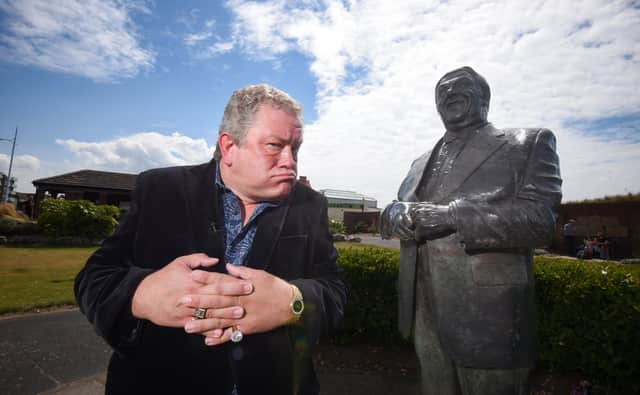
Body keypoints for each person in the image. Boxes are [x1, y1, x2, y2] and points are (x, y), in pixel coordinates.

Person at [74, 84, 347, 394]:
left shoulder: (311, 206)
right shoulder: (161, 189)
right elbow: (93, 278)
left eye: (295, 148)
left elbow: (335, 293)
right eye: (274, 145)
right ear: (229, 147)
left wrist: (293, 301)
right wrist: (140, 294)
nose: (290, 161)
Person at [380, 67, 562, 395]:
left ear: (484, 98)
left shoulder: (528, 143)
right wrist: (392, 213)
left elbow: (540, 220)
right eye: (441, 91)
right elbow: (400, 204)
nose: (447, 94)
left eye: (458, 87)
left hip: (489, 316)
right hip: (423, 312)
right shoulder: (419, 161)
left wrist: (453, 216)